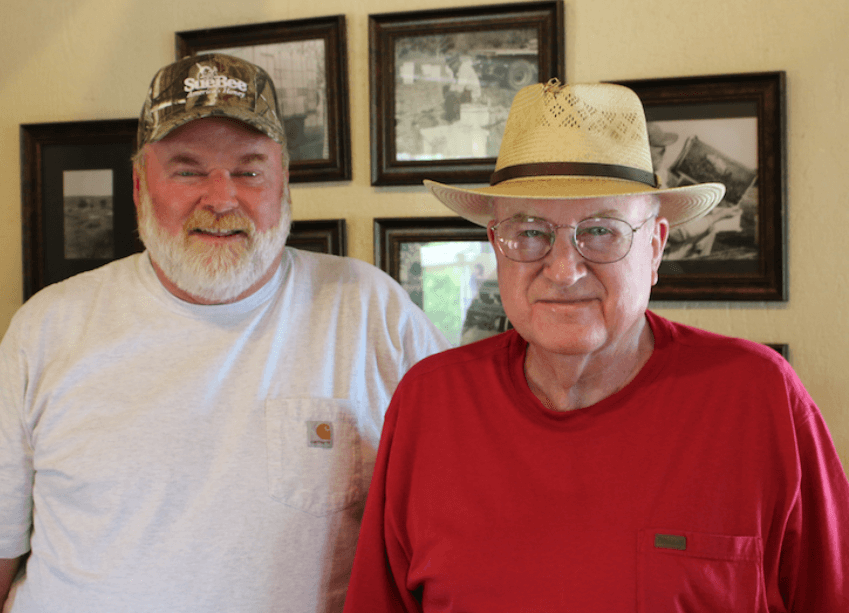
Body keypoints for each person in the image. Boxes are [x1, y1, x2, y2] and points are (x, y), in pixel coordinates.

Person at [343, 80, 849, 611]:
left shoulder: (759, 396)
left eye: (602, 230)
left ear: (655, 247)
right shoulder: (430, 401)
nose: (563, 270)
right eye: (531, 231)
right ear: (497, 245)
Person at [0, 53, 450, 613]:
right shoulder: (47, 327)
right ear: (141, 187)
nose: (221, 198)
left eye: (249, 170)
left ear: (284, 184)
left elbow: (459, 520)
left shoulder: (369, 309)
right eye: (187, 170)